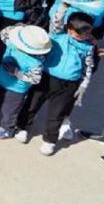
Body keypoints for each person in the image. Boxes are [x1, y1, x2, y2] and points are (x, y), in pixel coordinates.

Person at [15, 13, 96, 156]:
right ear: (70, 29)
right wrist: (62, 8)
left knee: (56, 114)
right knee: (32, 104)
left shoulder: (88, 48)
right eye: (81, 33)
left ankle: (49, 141)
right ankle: (22, 128)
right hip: (46, 78)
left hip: (69, 85)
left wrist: (84, 85)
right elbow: (56, 20)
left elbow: (88, 68)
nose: (86, 35)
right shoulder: (57, 36)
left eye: (88, 32)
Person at [0, 25, 48, 139]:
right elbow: (3, 33)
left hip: (17, 89)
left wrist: (17, 73)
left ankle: (8, 129)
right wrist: (17, 27)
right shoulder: (12, 44)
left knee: (9, 110)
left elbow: (35, 79)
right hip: (1, 82)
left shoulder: (36, 62)